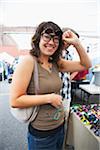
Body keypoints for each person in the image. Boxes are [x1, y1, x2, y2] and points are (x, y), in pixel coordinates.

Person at [10, 21, 91, 150]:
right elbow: (15, 100)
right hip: (41, 134)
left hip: (59, 128)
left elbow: (85, 65)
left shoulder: (55, 62)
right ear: (38, 38)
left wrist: (76, 43)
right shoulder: (28, 62)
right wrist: (49, 98)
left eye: (56, 39)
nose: (52, 42)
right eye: (47, 37)